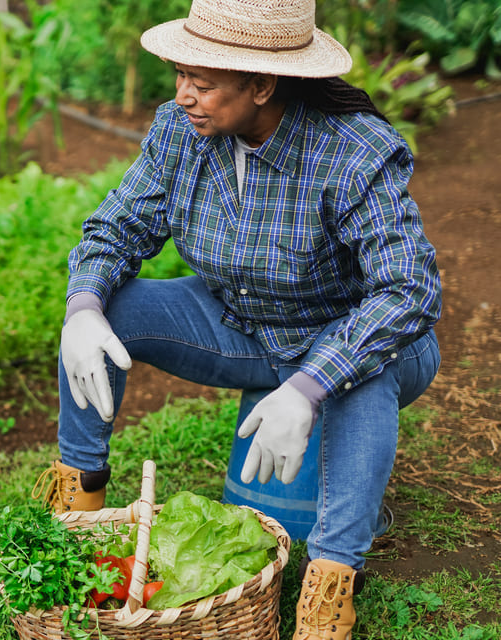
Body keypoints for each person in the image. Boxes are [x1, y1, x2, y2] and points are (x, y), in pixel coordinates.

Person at [34, 0, 440, 637]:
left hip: (355, 341)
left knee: (362, 377)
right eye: (180, 75)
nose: (185, 95)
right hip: (241, 325)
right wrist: (82, 308)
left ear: (262, 85)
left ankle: (330, 586)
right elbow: (116, 228)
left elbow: (407, 293)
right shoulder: (179, 130)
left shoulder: (353, 153)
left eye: (204, 82)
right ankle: (77, 496)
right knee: (106, 305)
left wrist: (309, 387)